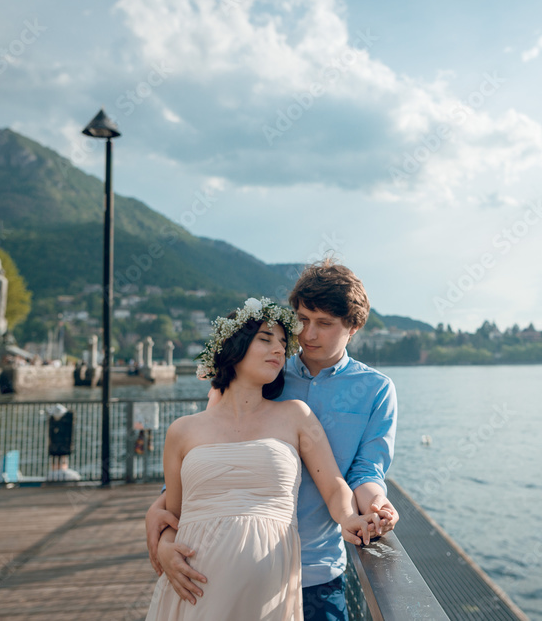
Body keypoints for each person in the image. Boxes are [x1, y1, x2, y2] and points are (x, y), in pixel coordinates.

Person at [147, 261, 400, 621]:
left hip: (316, 568)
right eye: (302, 319)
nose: (308, 334)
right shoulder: (263, 373)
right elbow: (206, 456)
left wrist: (376, 507)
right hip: (213, 571)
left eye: (324, 324)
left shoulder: (376, 390)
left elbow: (364, 471)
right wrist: (163, 526)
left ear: (354, 326)